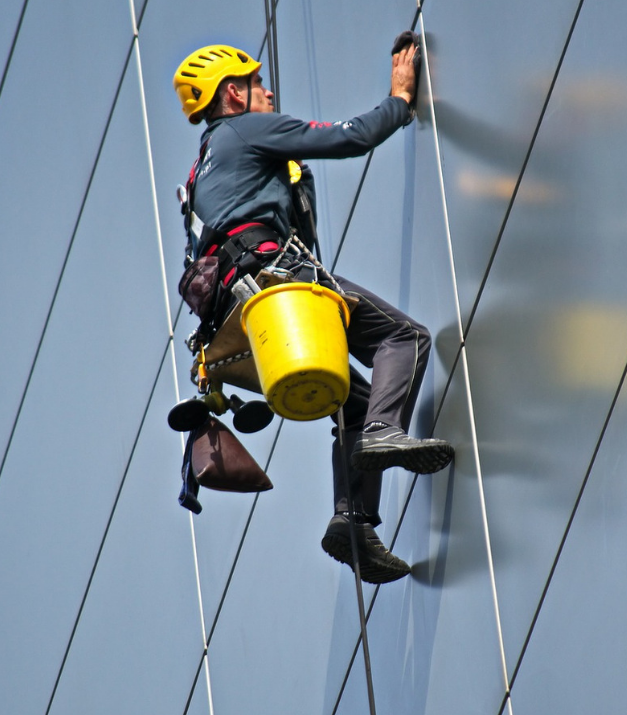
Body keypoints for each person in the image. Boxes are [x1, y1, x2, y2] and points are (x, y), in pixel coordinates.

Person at [173, 41, 453, 584]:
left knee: (356, 400)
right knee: (406, 338)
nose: (269, 91)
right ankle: (384, 434)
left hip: (238, 318)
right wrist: (399, 100)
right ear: (234, 93)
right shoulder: (244, 130)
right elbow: (348, 137)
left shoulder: (200, 170)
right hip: (276, 281)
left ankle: (352, 523)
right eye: (257, 83)